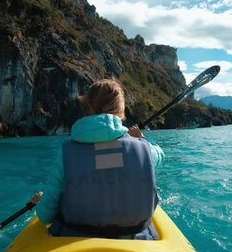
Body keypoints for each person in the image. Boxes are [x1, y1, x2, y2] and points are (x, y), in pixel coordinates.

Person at [34, 79, 165, 240]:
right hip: (135, 240)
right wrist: (142, 140)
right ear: (121, 109)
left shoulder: (65, 152)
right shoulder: (146, 150)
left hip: (72, 240)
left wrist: (40, 204)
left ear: (87, 107)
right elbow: (160, 155)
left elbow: (44, 216)